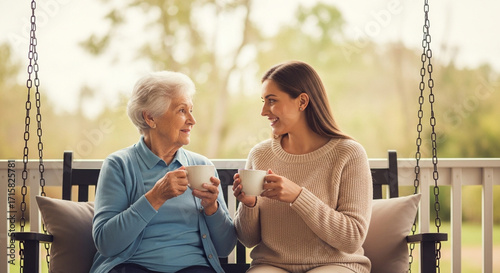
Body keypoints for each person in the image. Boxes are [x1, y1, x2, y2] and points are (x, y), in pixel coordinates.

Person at [232, 61, 373, 273]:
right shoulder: (260, 155)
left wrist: (298, 196)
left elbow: (351, 238)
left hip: (336, 265)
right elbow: (248, 239)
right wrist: (249, 205)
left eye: (271, 101)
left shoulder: (349, 154)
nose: (263, 111)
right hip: (272, 265)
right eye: (263, 101)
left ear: (302, 101)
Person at [90, 71, 237, 273]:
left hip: (194, 268)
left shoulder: (201, 165)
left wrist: (212, 208)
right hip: (132, 267)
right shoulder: (119, 165)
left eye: (191, 110)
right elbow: (107, 243)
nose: (192, 120)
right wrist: (155, 197)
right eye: (182, 111)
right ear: (150, 117)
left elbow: (225, 247)